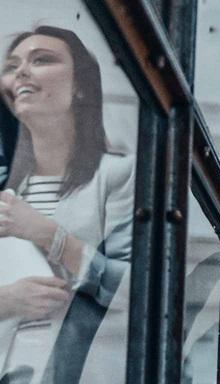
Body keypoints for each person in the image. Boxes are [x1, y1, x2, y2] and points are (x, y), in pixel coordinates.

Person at [0, 25, 137, 384]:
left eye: (42, 60)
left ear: (79, 86)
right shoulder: (6, 188)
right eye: (12, 66)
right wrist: (6, 302)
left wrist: (50, 235)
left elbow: (139, 291)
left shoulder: (118, 174)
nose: (21, 72)